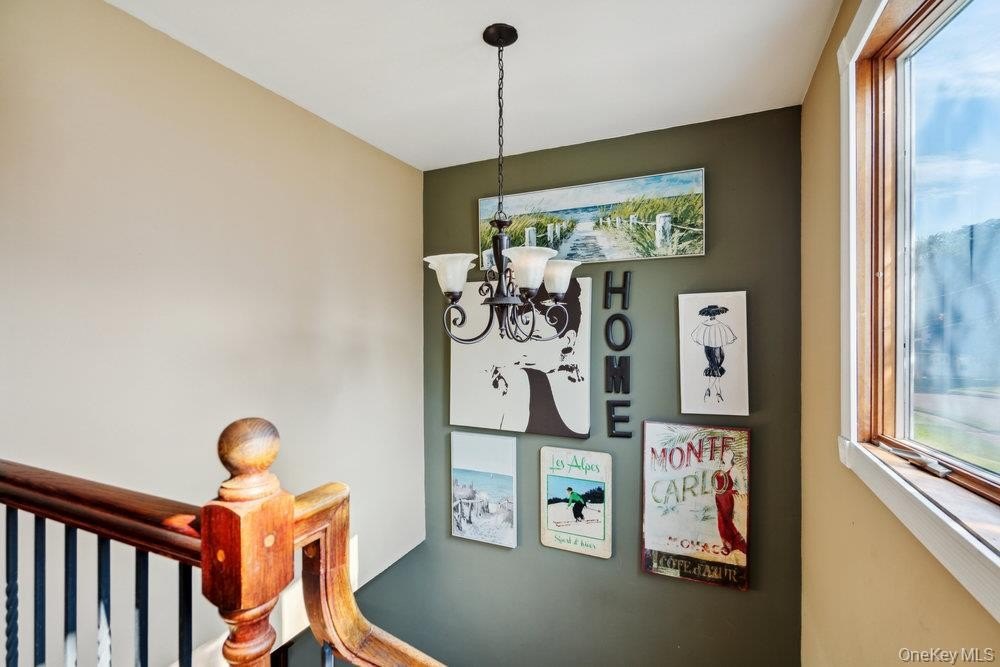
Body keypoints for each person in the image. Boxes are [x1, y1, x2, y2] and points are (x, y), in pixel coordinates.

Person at [690, 305, 738, 403]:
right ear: (715, 314)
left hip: (708, 350)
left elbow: (696, 336)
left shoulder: (704, 325)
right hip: (716, 351)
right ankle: (712, 391)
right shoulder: (719, 325)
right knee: (716, 370)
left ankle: (716, 392)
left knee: (714, 370)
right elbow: (729, 337)